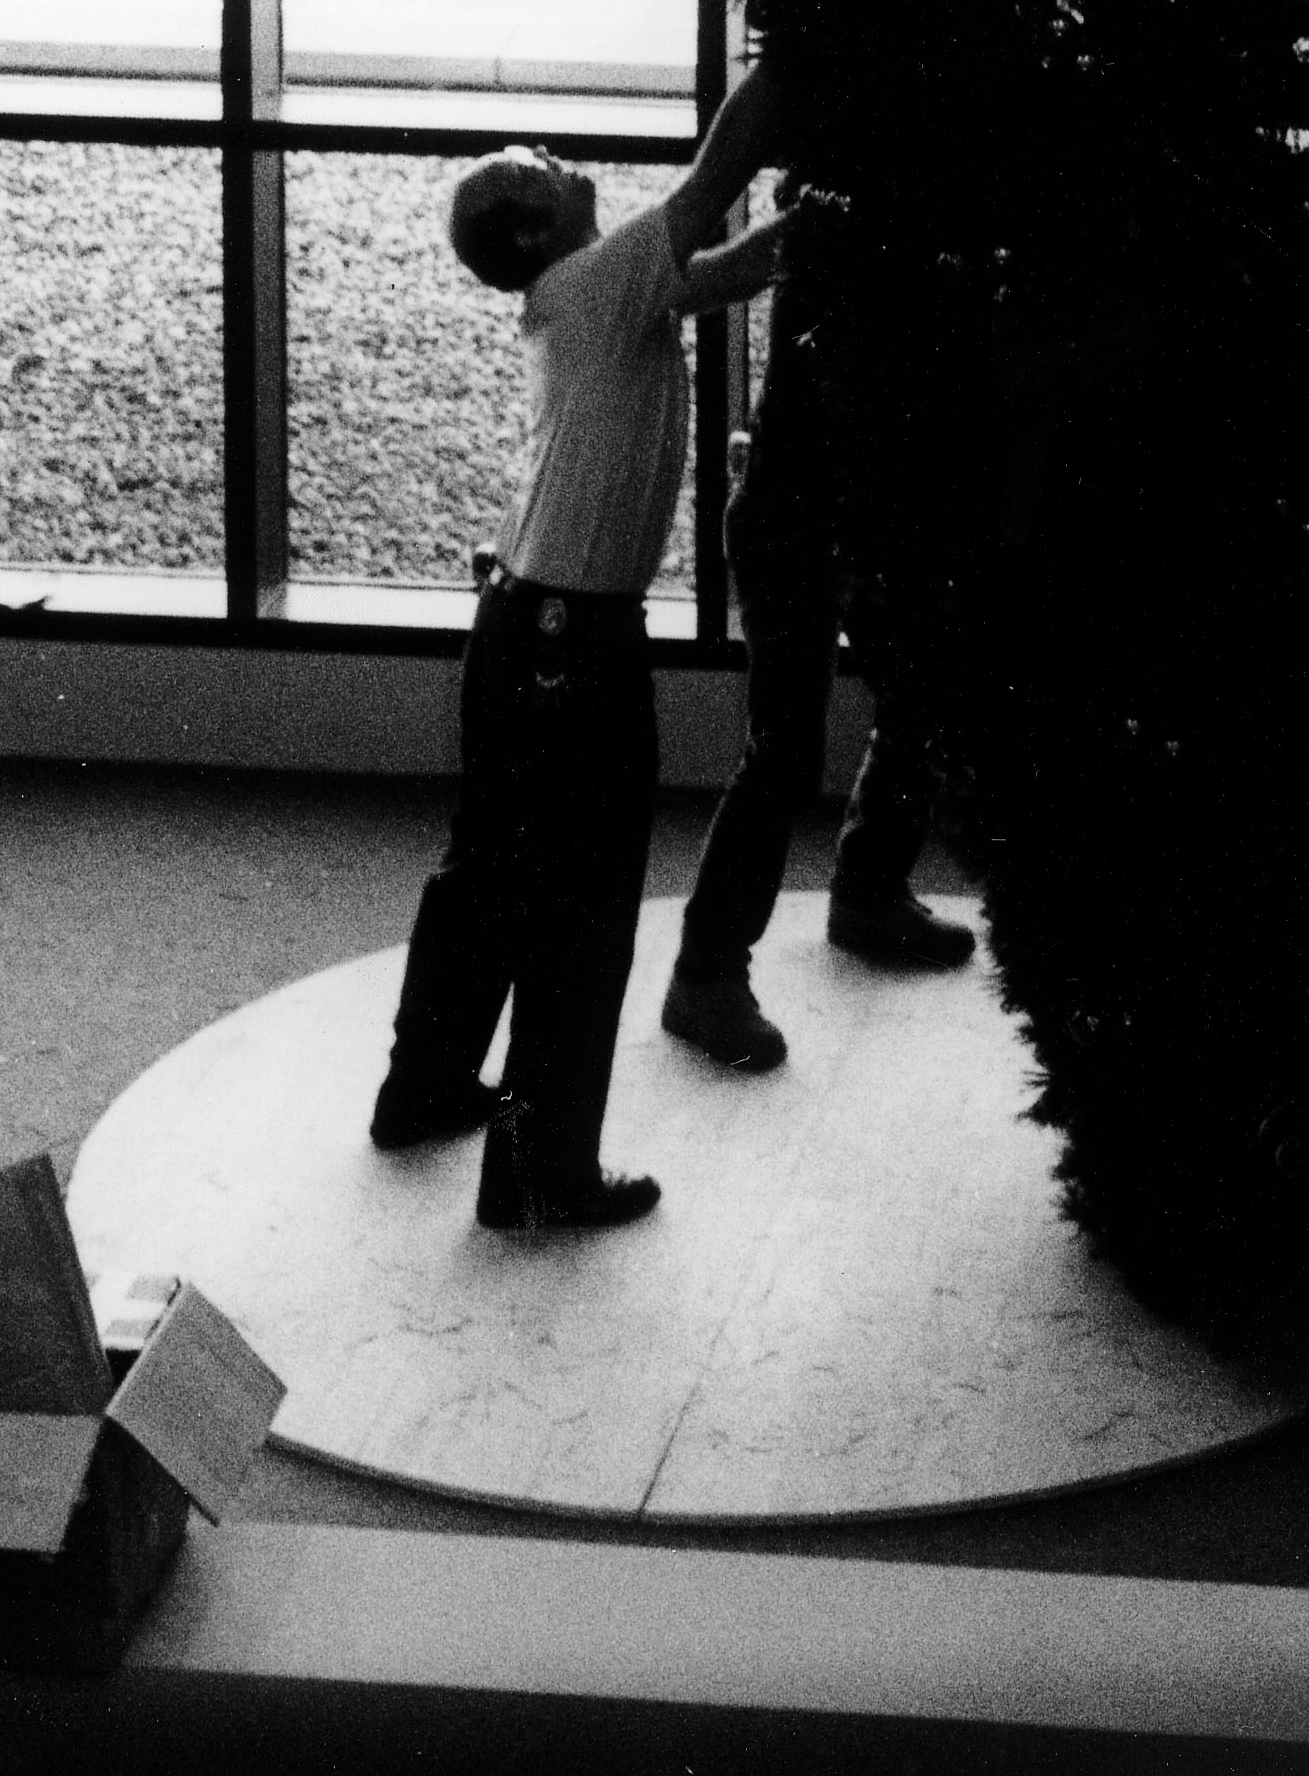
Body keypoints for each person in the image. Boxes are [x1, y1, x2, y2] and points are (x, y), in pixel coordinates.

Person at [368, 64, 785, 1235]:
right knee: (583, 904)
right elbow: (713, 181)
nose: (555, 158)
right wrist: (790, 61)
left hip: (520, 627)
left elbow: (734, 266)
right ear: (533, 226)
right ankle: (540, 1169)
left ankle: (423, 1088)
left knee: (489, 872)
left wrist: (807, 229)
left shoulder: (593, 290)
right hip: (573, 644)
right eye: (536, 167)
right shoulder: (600, 283)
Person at [660, 272, 973, 1075]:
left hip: (866, 514)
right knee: (785, 753)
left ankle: (869, 893)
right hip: (793, 519)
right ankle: (703, 976)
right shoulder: (845, 244)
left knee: (920, 696)